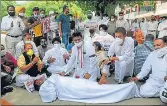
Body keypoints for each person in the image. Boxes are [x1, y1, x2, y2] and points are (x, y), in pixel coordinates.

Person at [39, 74, 140, 103]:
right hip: (70, 87)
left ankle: (129, 88)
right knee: (96, 90)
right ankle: (129, 88)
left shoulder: (51, 78)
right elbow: (50, 97)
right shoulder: (46, 84)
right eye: (38, 82)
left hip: (75, 83)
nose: (39, 80)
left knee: (95, 87)